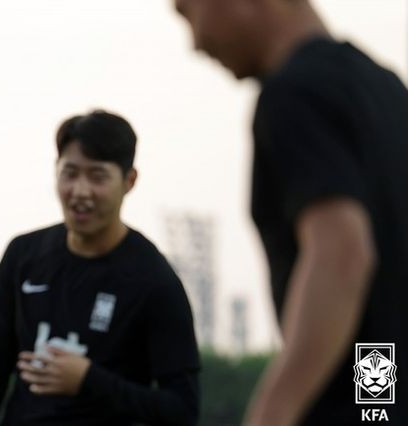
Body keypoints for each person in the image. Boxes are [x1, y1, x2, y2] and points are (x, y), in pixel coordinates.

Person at [173, 0, 408, 424]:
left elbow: (342, 255)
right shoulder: (388, 90)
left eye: (187, 10)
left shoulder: (293, 95)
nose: (195, 42)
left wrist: (274, 411)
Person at [0, 110, 200, 425]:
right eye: (70, 173)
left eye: (97, 176)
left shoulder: (154, 280)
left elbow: (182, 409)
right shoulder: (23, 255)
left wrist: (89, 379)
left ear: (129, 181)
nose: (80, 191)